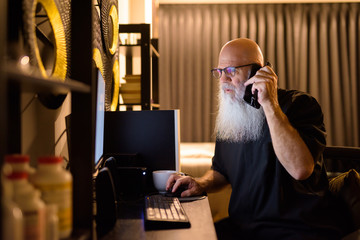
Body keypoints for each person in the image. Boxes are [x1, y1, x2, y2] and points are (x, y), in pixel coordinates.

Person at [166, 38, 345, 239]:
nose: (223, 80)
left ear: (257, 72)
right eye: (219, 72)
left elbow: (300, 169)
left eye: (231, 71)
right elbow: (221, 171)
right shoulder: (231, 115)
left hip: (296, 229)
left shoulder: (299, 104)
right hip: (244, 227)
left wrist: (269, 104)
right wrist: (201, 183)